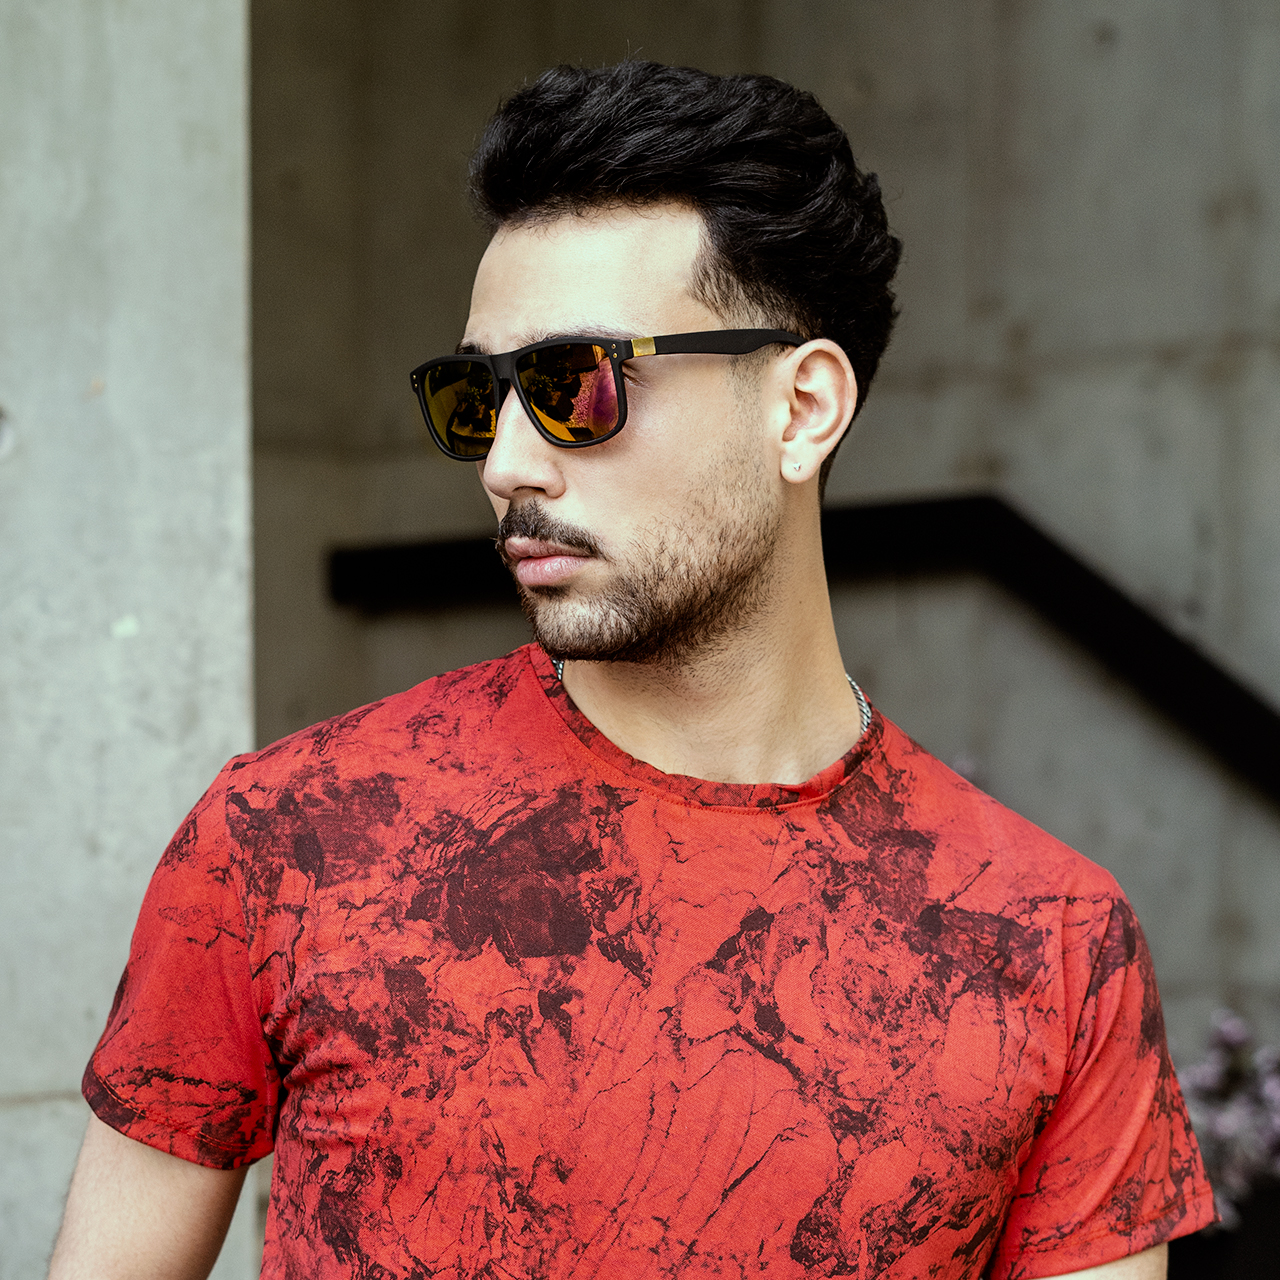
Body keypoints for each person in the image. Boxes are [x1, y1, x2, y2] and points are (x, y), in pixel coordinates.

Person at [50, 61, 1215, 1280]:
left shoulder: (1046, 941)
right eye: (475, 397)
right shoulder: (291, 835)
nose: (505, 462)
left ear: (801, 408)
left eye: (575, 385)